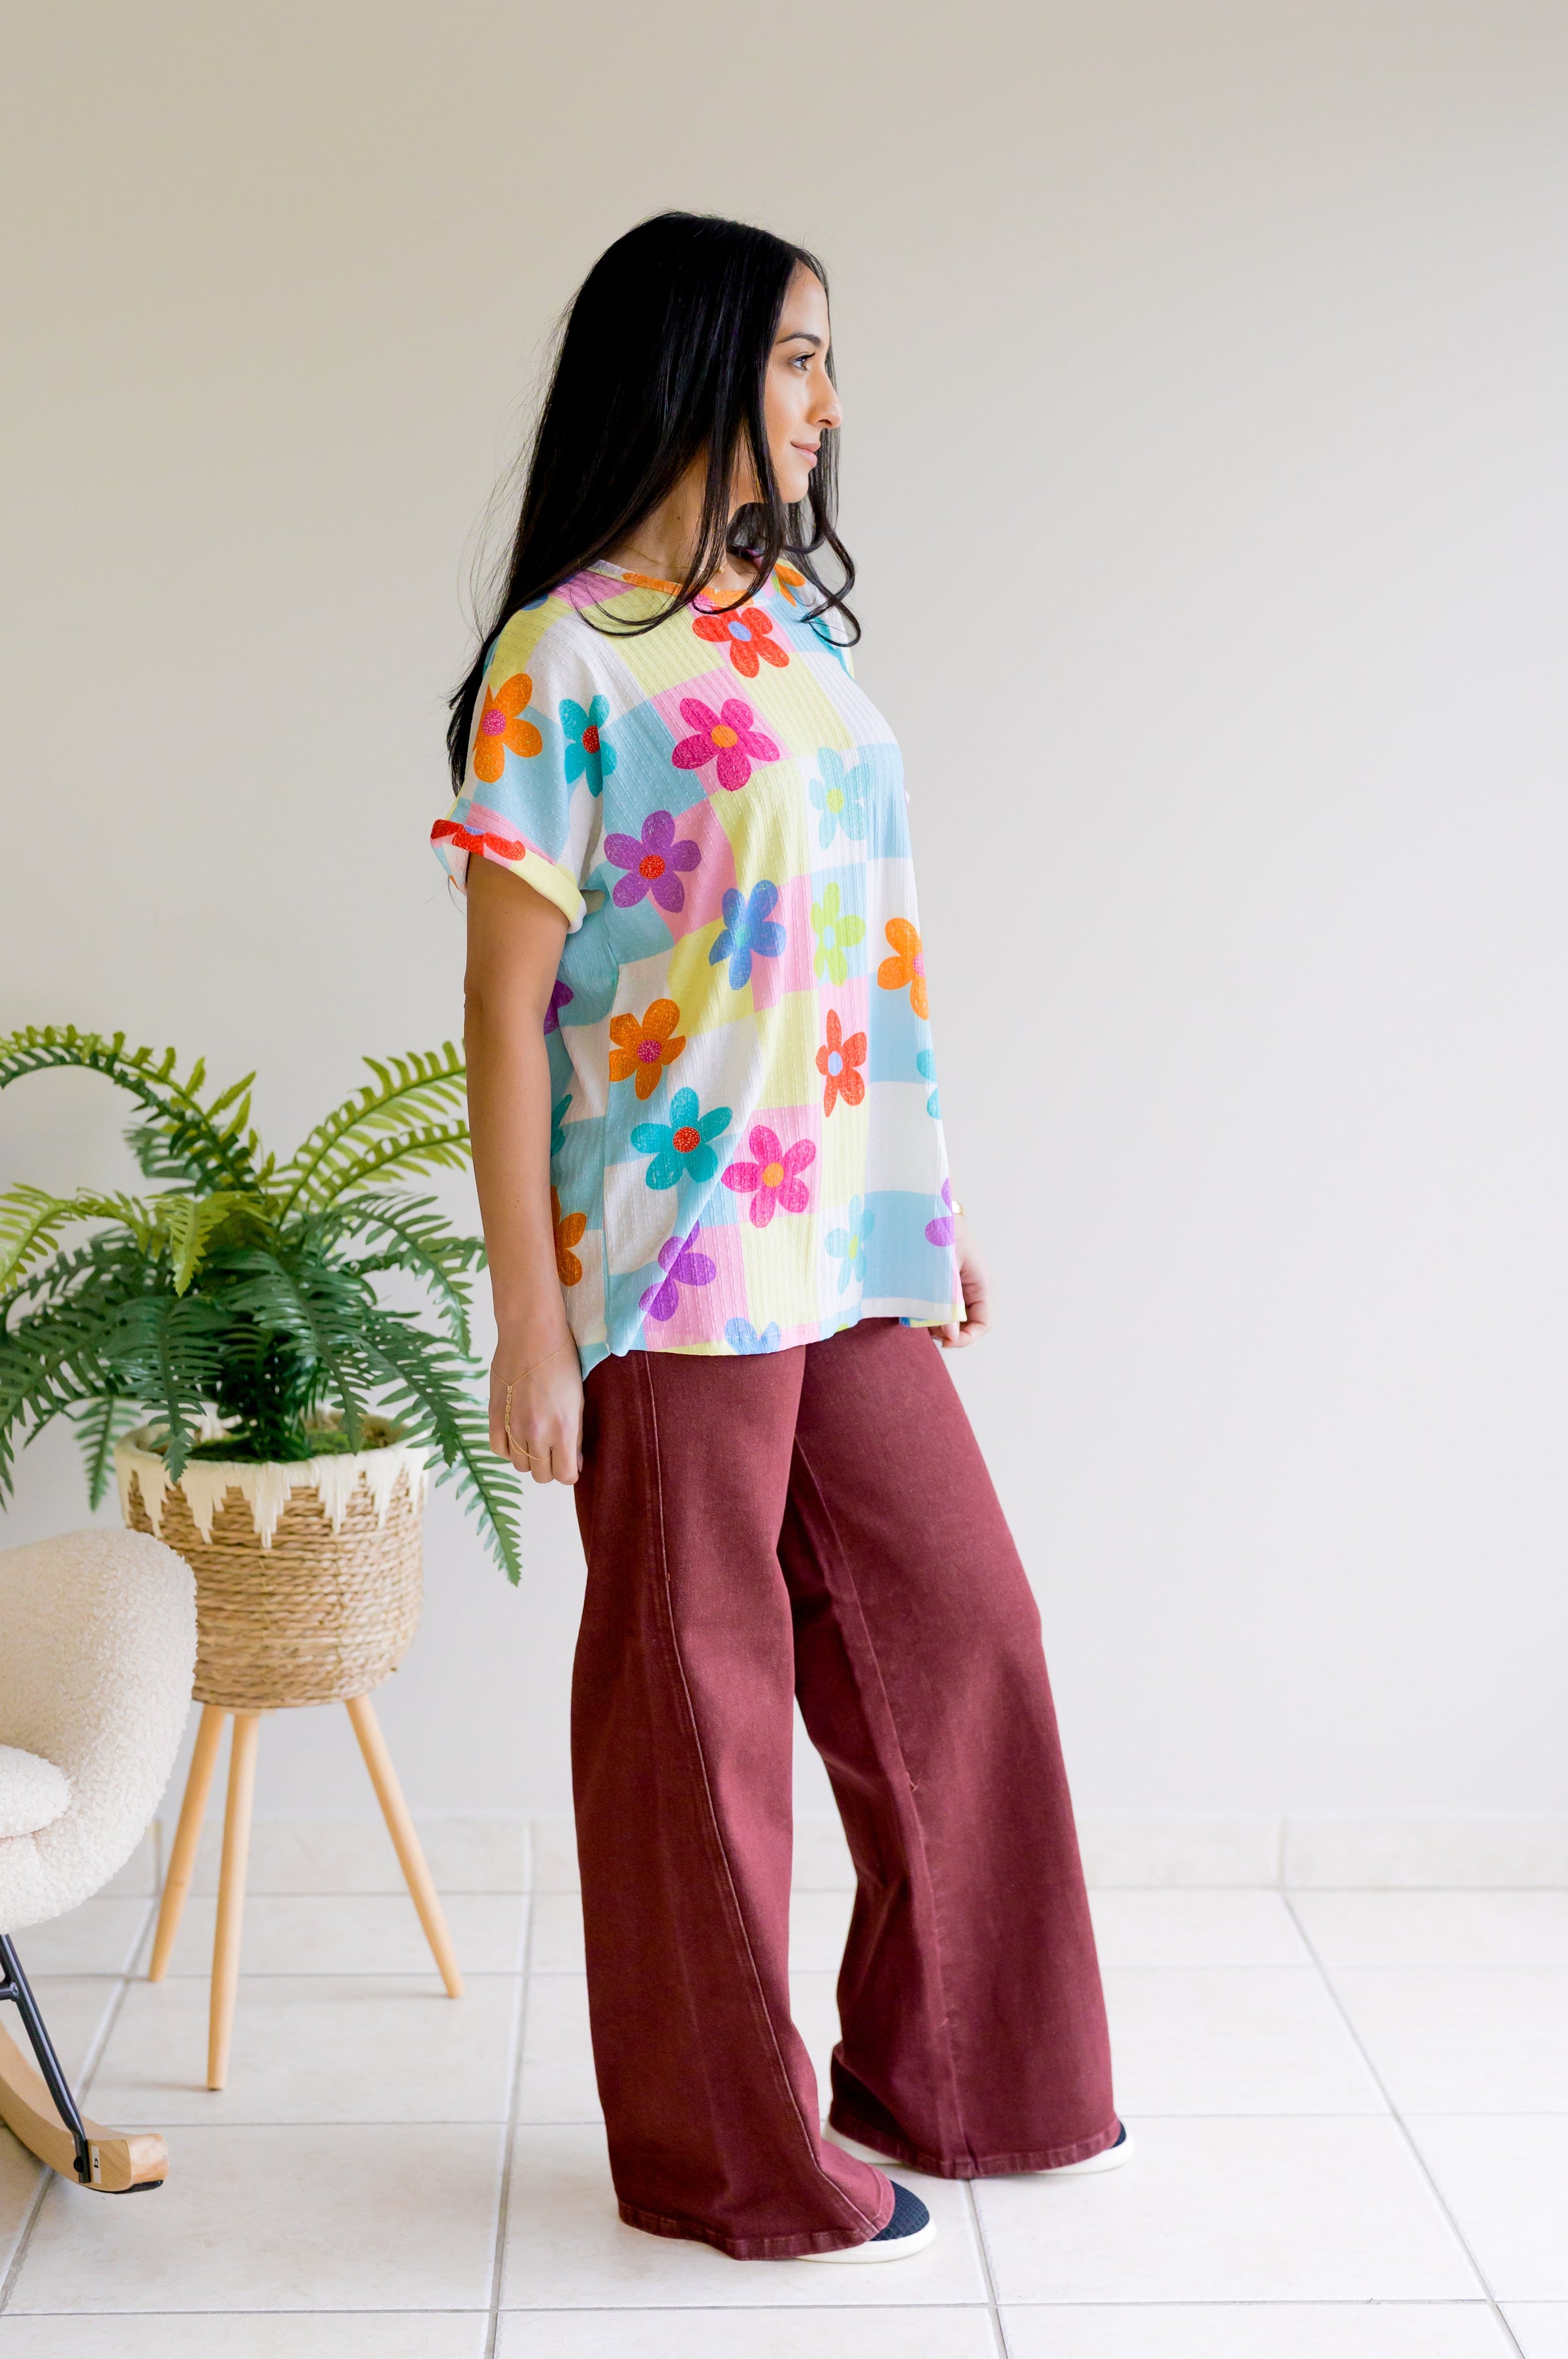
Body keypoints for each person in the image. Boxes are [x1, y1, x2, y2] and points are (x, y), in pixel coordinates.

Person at [438, 211, 1121, 2263]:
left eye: (830, 360)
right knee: (696, 1705)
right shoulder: (562, 661)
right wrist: (530, 1318)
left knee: (964, 1632)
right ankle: (724, 2157)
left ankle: (957, 2079)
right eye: (800, 354)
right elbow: (501, 1011)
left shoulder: (795, 649)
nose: (829, 400)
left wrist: (929, 1198)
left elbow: (857, 953)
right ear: (697, 359)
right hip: (670, 1259)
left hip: (845, 1244)